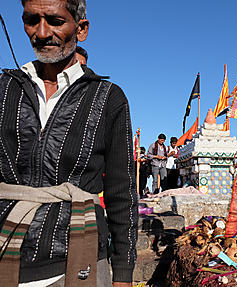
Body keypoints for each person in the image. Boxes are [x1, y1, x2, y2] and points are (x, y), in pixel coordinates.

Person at [0, 1, 137, 286]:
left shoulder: (108, 98)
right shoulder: (4, 89)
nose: (41, 32)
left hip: (78, 256)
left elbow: (121, 190)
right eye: (31, 20)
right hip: (5, 249)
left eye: (54, 21)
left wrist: (123, 271)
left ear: (82, 28)